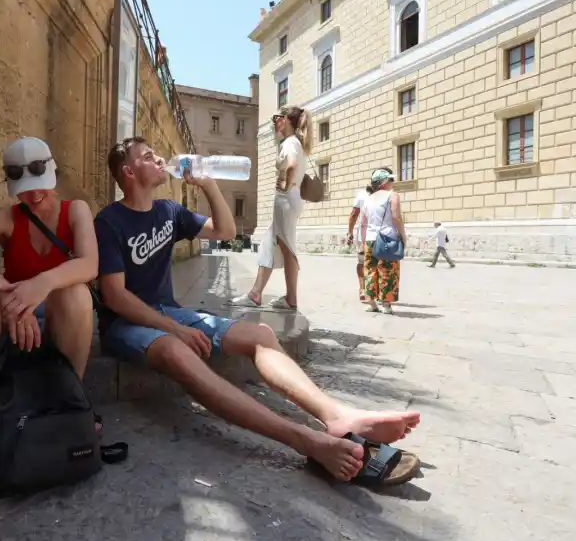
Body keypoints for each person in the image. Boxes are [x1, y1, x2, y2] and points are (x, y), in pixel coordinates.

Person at [94, 137, 421, 482]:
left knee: (260, 333)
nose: (160, 159)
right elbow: (115, 297)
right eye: (148, 157)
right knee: (176, 350)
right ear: (128, 172)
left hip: (166, 311)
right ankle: (306, 440)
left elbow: (225, 230)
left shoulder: (168, 212)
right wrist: (173, 329)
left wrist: (207, 182)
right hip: (125, 324)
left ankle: (337, 414)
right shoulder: (109, 222)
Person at [0, 136, 99, 448]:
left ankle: (70, 396)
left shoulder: (76, 210)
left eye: (40, 183)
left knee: (75, 291)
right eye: (24, 187)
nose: (34, 194)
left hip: (60, 316)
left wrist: (41, 284)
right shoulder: (6, 217)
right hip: (14, 319)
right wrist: (10, 299)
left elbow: (90, 264)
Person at [228, 106, 311, 310]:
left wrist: (285, 184)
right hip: (288, 200)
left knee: (287, 248)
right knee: (268, 244)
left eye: (277, 117)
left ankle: (290, 298)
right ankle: (256, 294)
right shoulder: (294, 143)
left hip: (285, 200)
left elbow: (291, 166)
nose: (275, 121)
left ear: (286, 120)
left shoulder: (290, 143)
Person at [360, 168, 407, 315]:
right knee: (387, 271)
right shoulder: (392, 196)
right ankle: (386, 305)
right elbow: (396, 218)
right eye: (390, 180)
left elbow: (363, 223)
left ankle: (371, 303)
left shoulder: (367, 199)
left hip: (370, 240)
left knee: (369, 270)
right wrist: (403, 235)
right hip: (387, 238)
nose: (392, 182)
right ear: (384, 182)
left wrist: (362, 241)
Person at [347, 186, 373, 302]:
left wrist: (350, 232)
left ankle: (363, 289)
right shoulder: (387, 195)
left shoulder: (362, 195)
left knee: (362, 261)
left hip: (363, 234)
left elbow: (354, 214)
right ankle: (374, 291)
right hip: (380, 235)